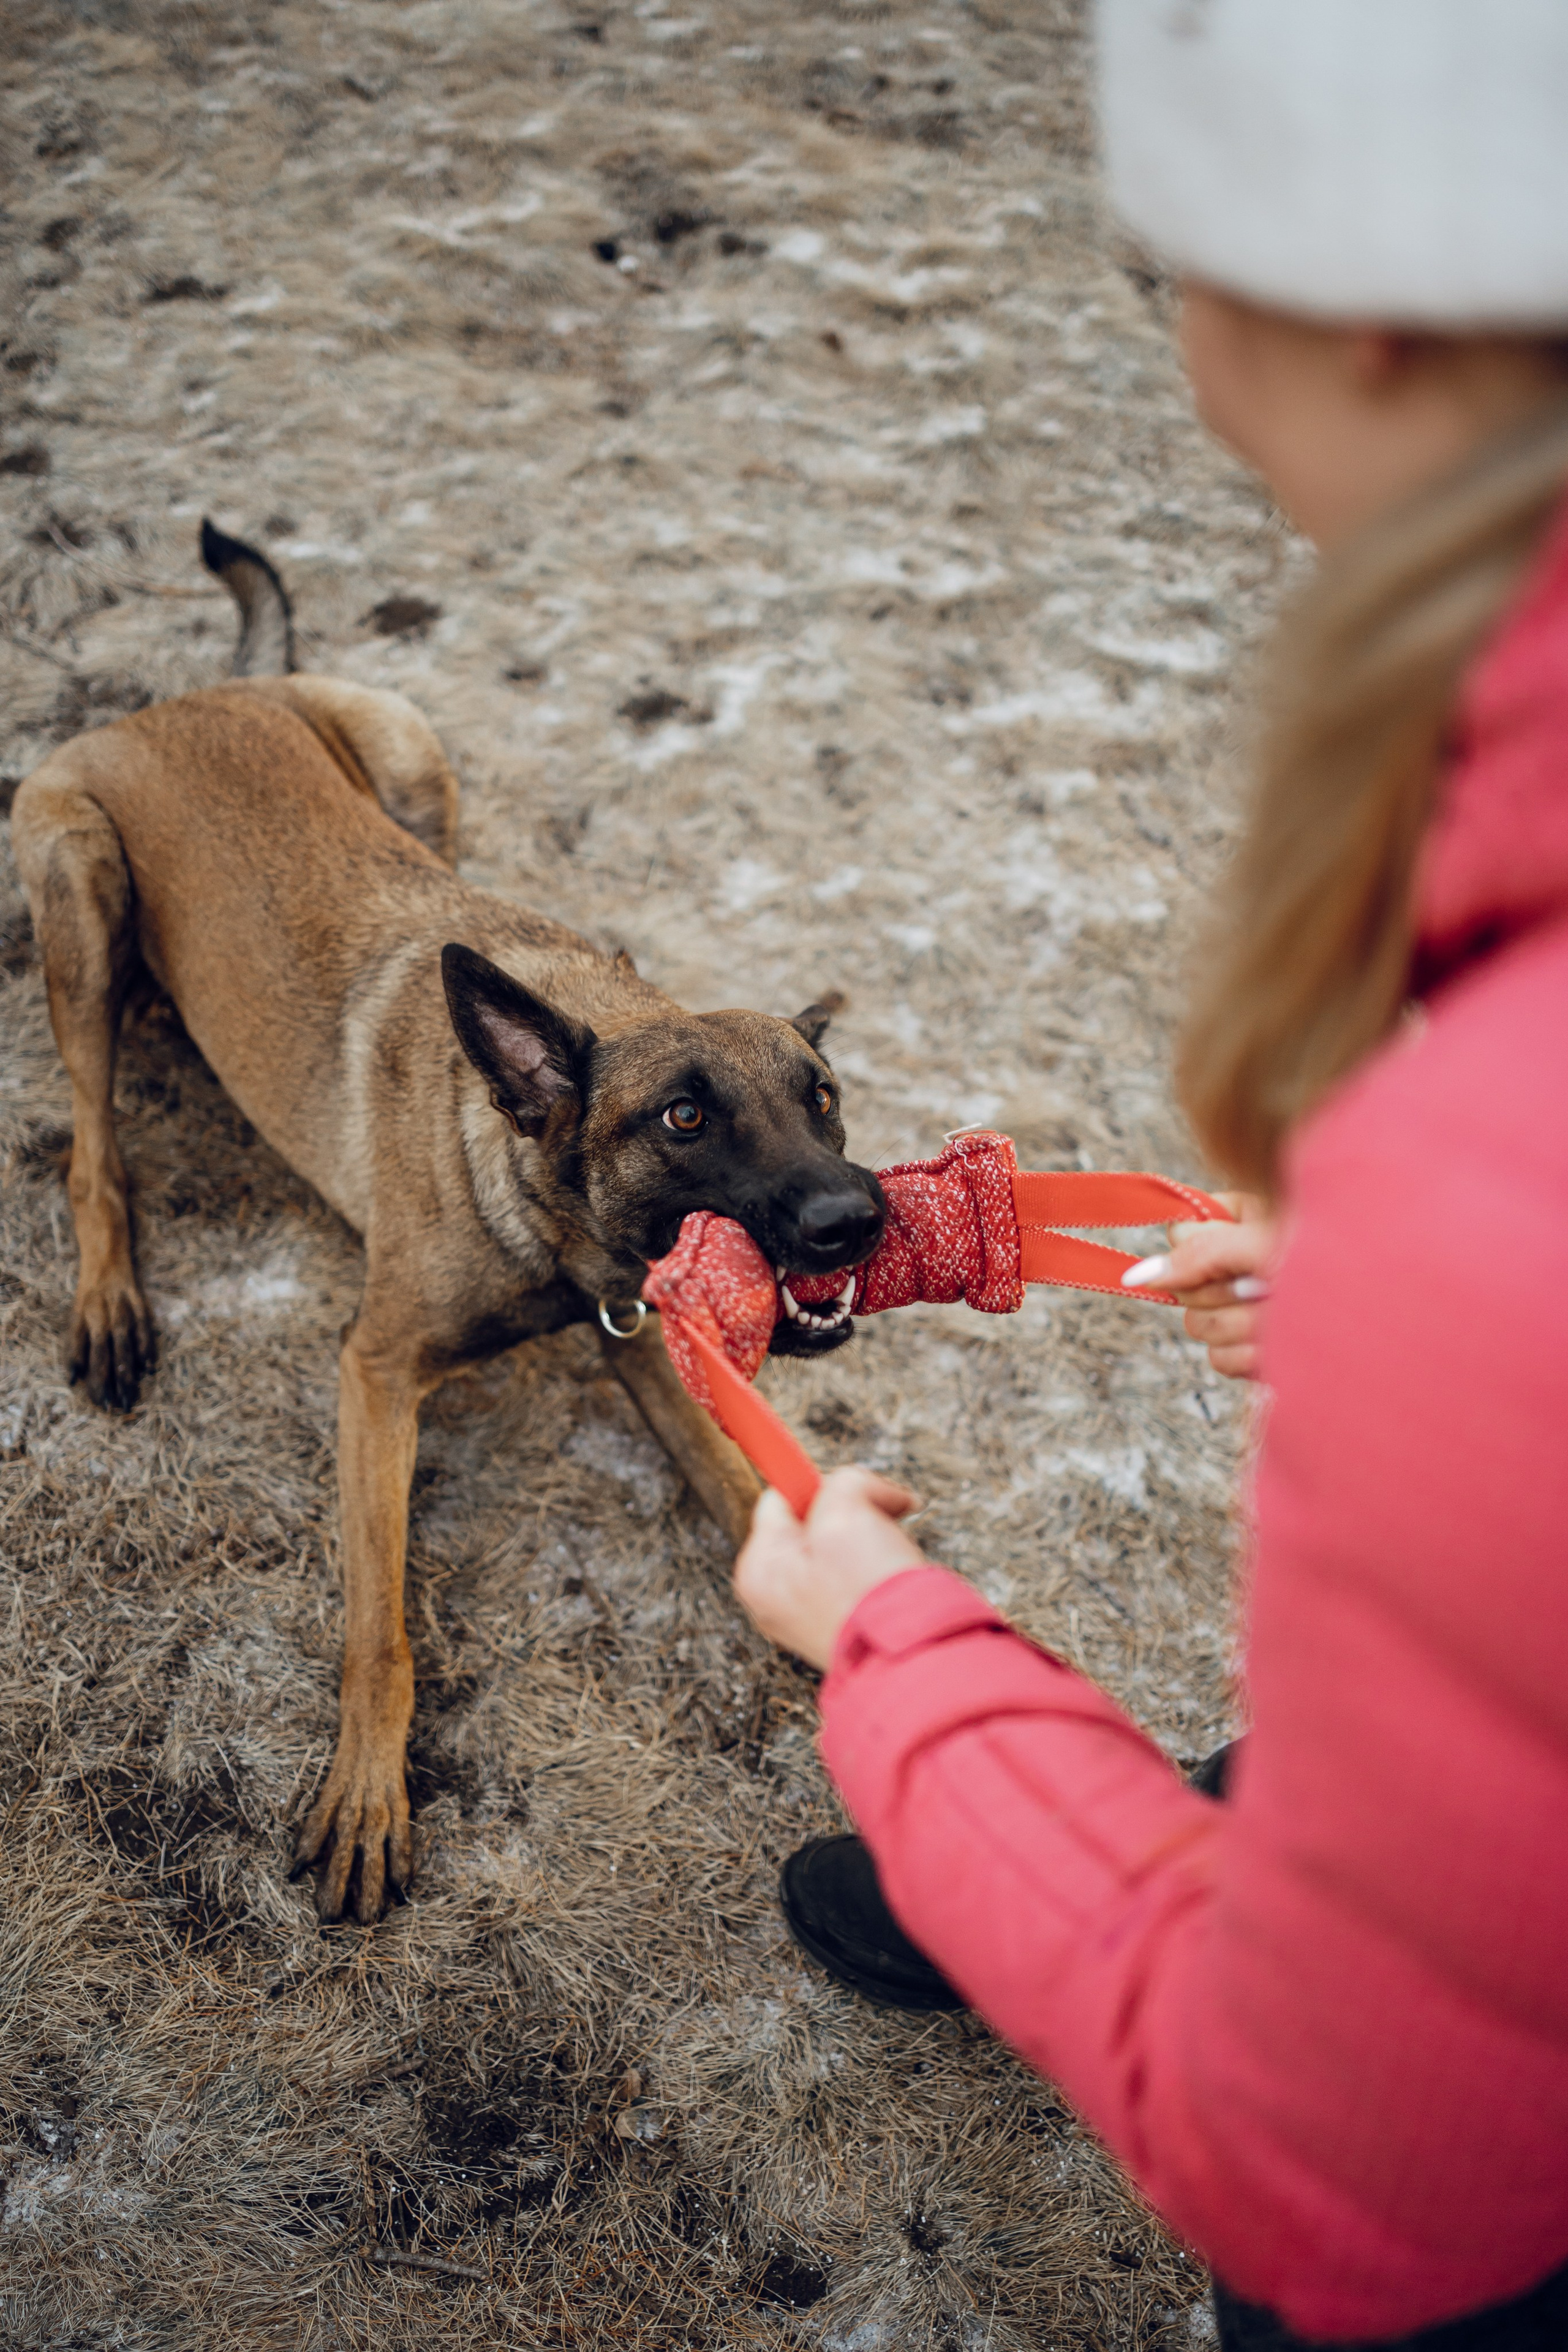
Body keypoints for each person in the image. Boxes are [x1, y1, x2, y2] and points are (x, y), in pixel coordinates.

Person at [730, 4, 1568, 2346]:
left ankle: (1020, 1829)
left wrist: (894, 1658)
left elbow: (1334, 2179)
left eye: (1162, 271)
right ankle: (1159, 1825)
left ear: (1372, 304)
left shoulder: (1498, 1203)